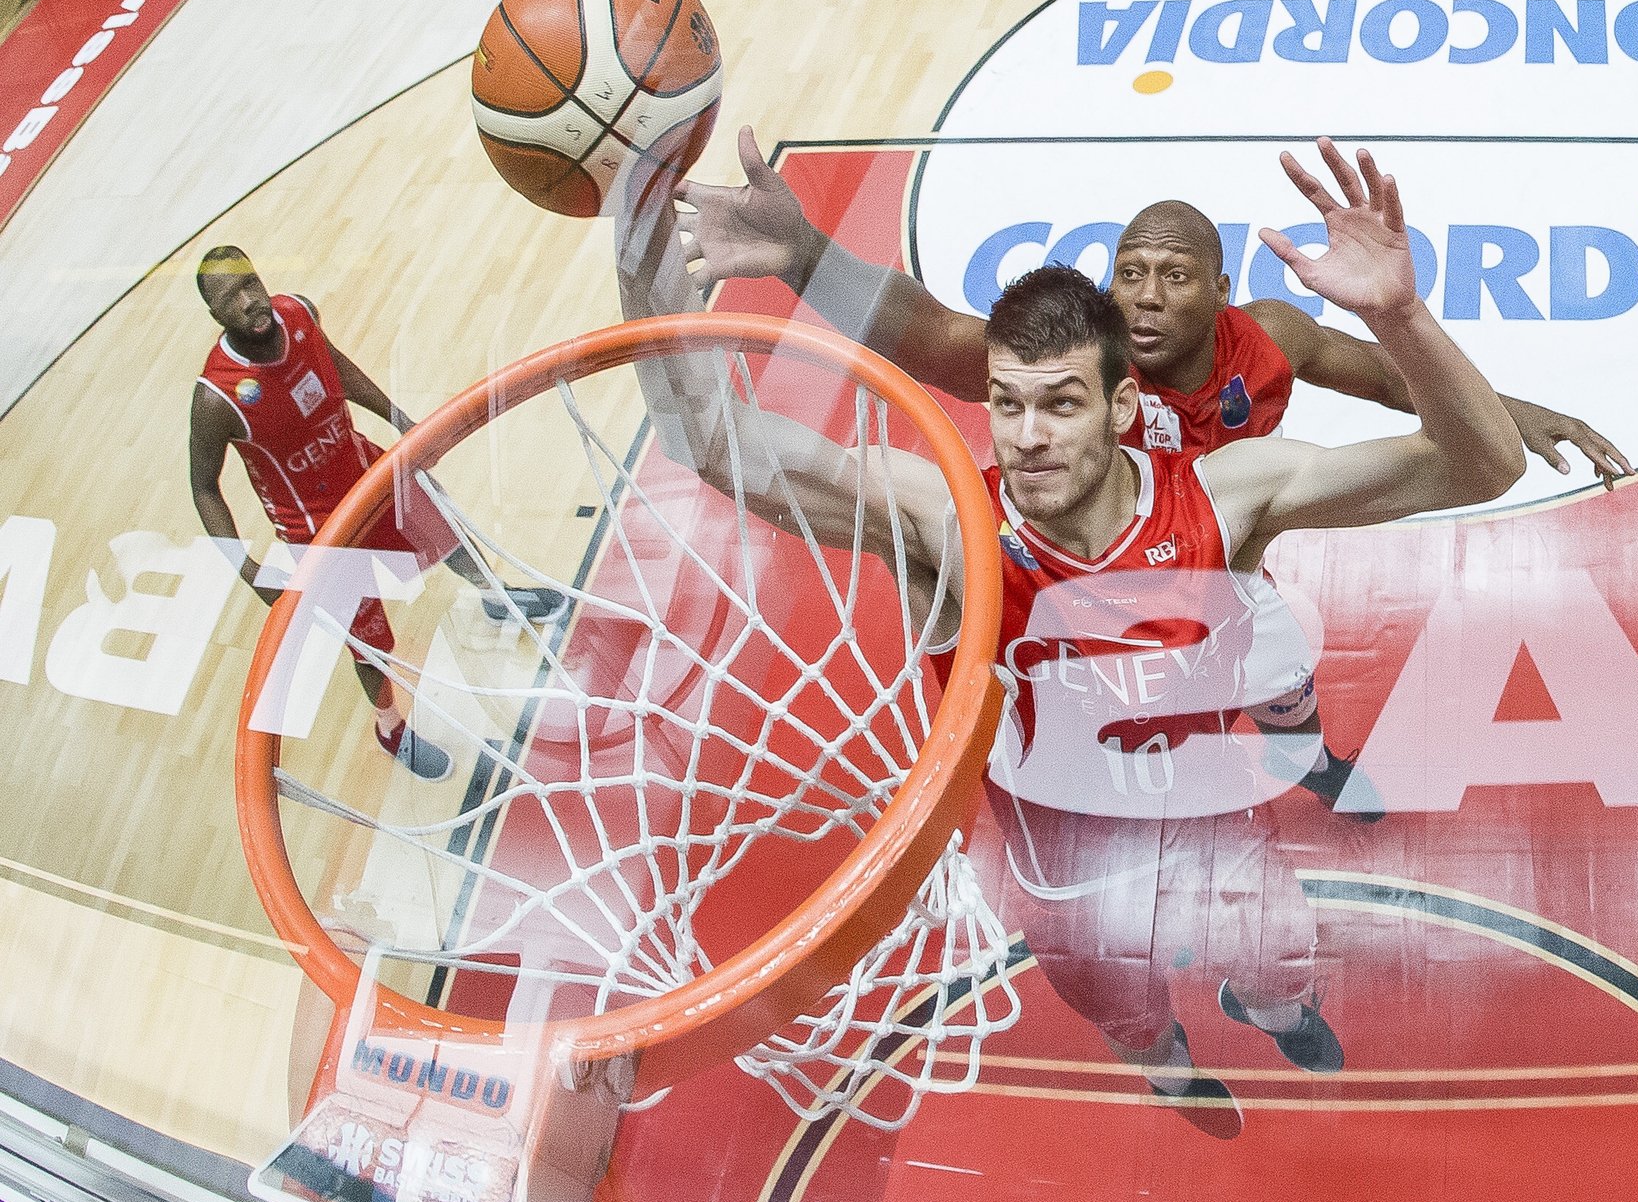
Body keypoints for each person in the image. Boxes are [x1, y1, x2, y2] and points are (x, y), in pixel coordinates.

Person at [624, 139, 1525, 1132]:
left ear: (1122, 404)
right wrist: (639, 248)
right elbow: (707, 439)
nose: (1028, 435)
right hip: (1066, 874)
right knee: (1127, 1015)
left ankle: (1270, 1007)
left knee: (1279, 964)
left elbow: (1480, 466)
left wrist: (1397, 315)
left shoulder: (1226, 499)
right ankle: (1170, 1064)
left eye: (1059, 404)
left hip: (1214, 825)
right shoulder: (950, 528)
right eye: (1007, 403)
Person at [670, 128, 1629, 818]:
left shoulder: (1270, 343)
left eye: (1174, 277)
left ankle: (1312, 766)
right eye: (1130, 272)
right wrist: (803, 256)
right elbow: (926, 332)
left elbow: (1388, 380)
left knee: (1284, 687)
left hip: (1217, 563)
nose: (1146, 296)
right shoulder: (1082, 360)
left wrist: (1512, 409)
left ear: (1219, 293)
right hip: (1065, 578)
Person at [188, 246, 567, 780]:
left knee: (446, 532)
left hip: (365, 470)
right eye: (233, 297)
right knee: (370, 643)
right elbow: (203, 487)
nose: (251, 301)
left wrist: (396, 417)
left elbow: (334, 365)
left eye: (251, 283)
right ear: (216, 316)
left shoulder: (297, 312)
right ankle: (390, 727)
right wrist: (247, 569)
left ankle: (496, 597)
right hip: (320, 532)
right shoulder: (216, 397)